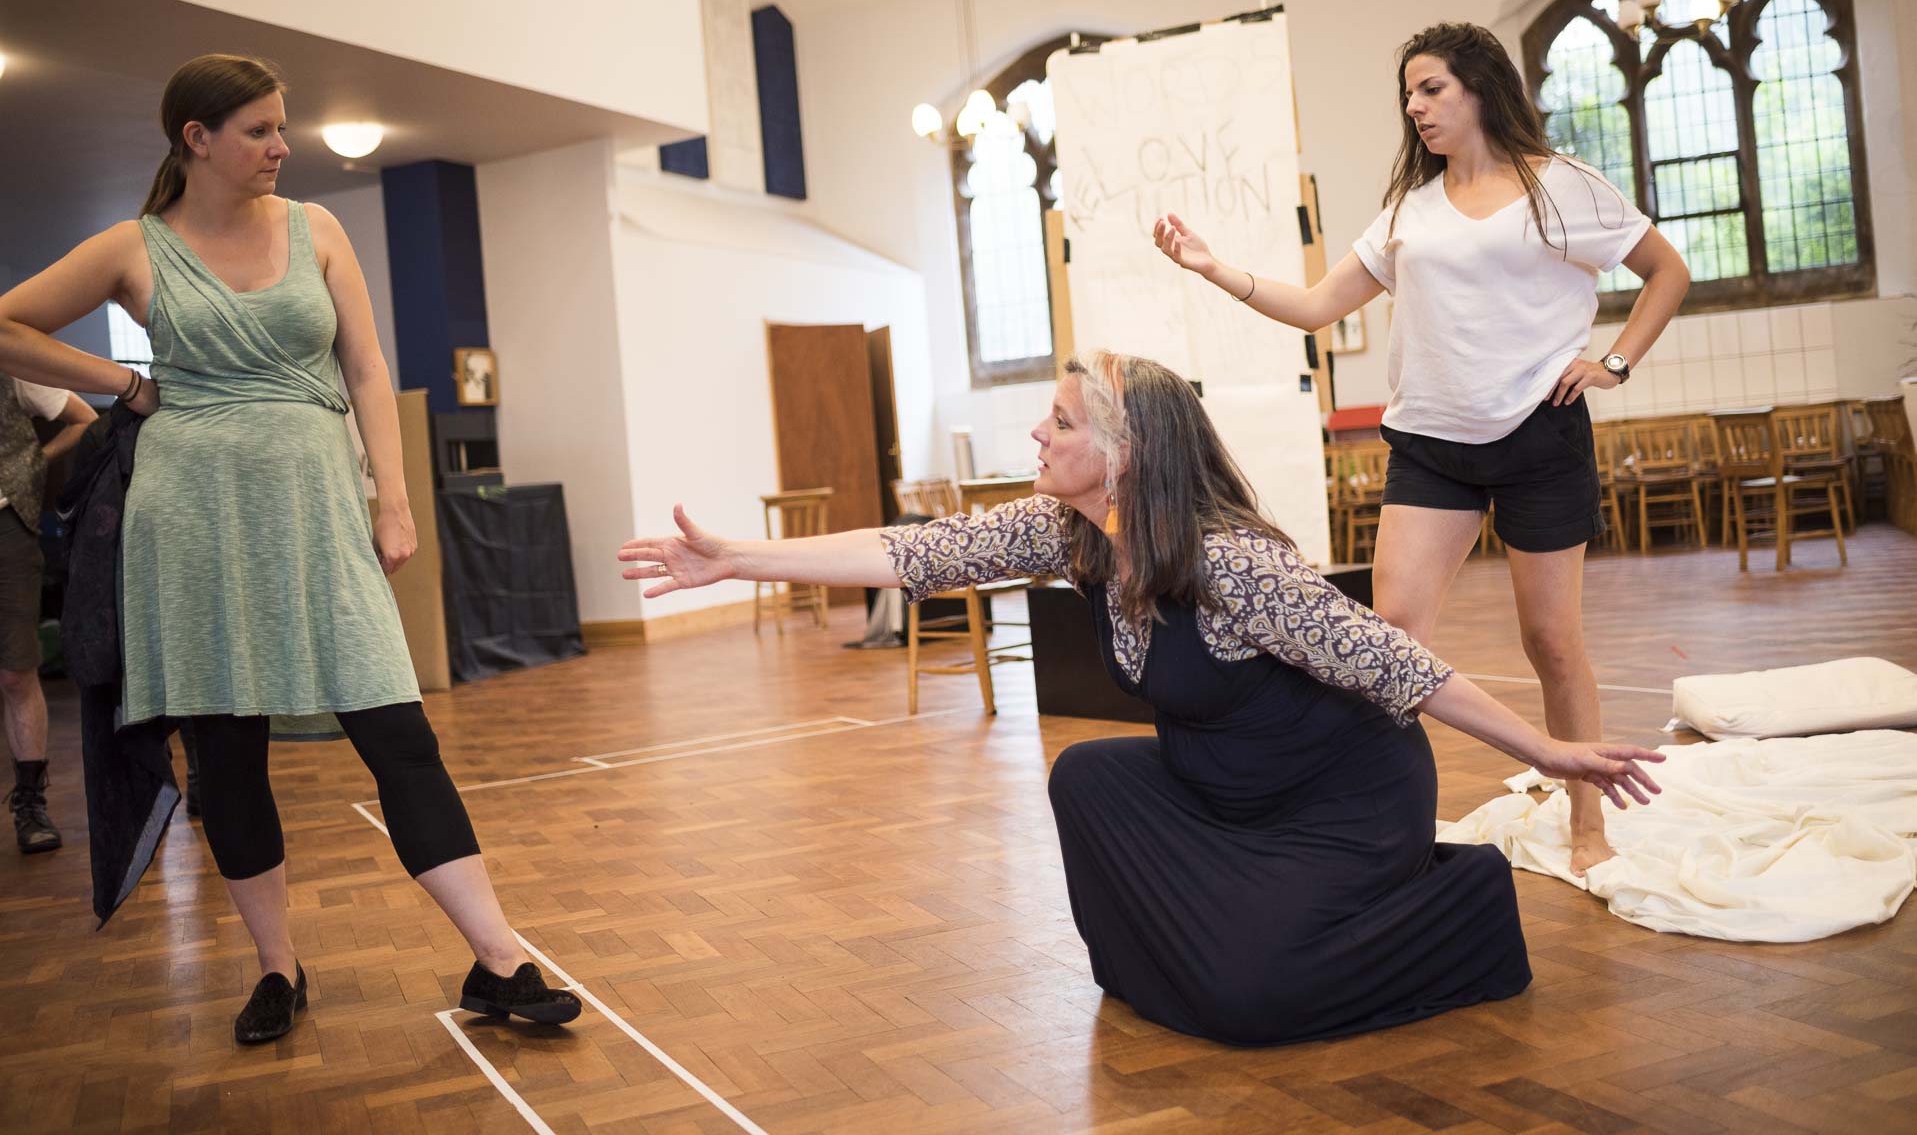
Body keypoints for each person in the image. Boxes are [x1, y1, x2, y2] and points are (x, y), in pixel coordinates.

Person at [617, 351, 1664, 1045]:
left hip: (1341, 801)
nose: (1038, 431)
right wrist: (733, 560)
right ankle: (1197, 957)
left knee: (1253, 1001)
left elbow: (1400, 665)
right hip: (1222, 788)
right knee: (1089, 778)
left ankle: (1456, 895)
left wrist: (1550, 749)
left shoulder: (1231, 561)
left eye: (1061, 419)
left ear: (1125, 453)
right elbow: (915, 551)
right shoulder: (1069, 527)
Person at [0, 54, 579, 1043]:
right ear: (199, 140)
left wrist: (392, 502)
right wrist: (124, 380)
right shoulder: (136, 248)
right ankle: (276, 967)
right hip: (191, 524)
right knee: (229, 760)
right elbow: (8, 323)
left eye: (282, 126)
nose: (283, 145)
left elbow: (364, 362)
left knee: (399, 734)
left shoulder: (319, 228)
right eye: (262, 129)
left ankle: (500, 958)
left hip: (315, 510)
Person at [1153, 22, 1691, 874]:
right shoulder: (1409, 208)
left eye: (1430, 88)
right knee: (1389, 636)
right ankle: (1379, 819)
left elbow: (1668, 270)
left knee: (1550, 642)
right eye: (1408, 93)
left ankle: (1588, 819)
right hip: (1431, 444)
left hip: (1538, 434)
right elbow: (1315, 306)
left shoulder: (1562, 188)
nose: (1414, 106)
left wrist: (1615, 362)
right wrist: (1212, 267)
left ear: (1478, 87)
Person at [0, 373, 96, 852]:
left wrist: (30, 463)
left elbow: (84, 416)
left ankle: (31, 805)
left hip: (6, 529)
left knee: (18, 673)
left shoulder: (8, 355)